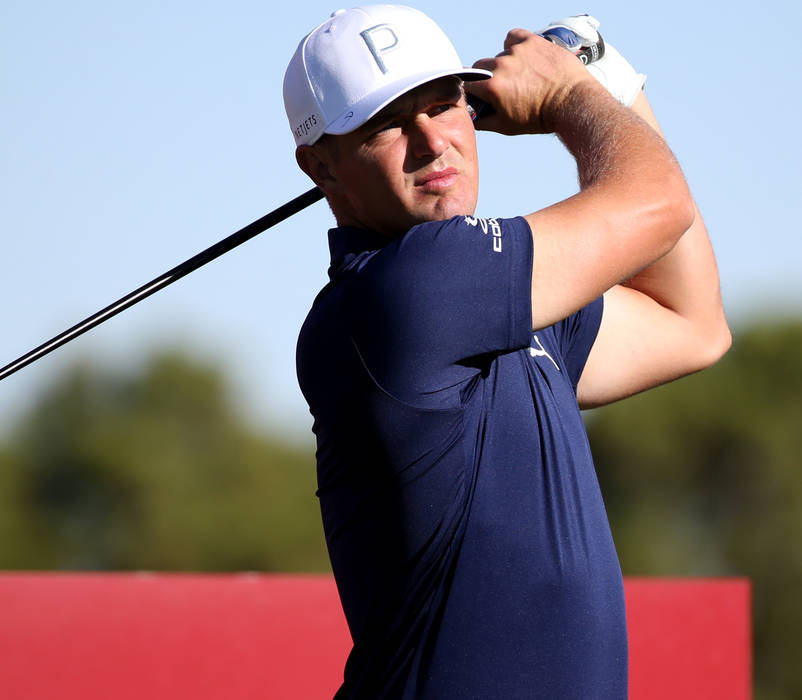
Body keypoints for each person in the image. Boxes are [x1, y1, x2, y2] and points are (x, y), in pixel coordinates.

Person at [285, 6, 730, 698]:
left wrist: (609, 79)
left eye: (444, 105)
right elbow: (656, 203)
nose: (433, 142)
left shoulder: (504, 306)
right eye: (387, 126)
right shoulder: (407, 289)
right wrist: (571, 96)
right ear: (322, 167)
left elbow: (692, 323)